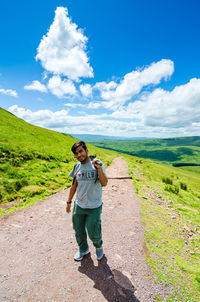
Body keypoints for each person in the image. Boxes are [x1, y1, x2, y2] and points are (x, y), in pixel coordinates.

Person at [66, 141, 108, 261]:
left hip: (94, 206)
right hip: (79, 205)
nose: (79, 155)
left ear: (86, 150)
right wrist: (69, 202)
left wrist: (99, 168)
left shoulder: (96, 164)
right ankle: (83, 249)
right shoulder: (77, 166)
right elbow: (74, 185)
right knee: (78, 230)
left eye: (81, 151)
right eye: (76, 153)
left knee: (93, 231)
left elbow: (104, 183)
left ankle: (98, 246)